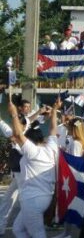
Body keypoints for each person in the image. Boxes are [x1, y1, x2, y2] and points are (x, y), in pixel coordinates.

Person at [8, 95, 59, 238]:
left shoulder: (32, 151)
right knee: (17, 230)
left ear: (30, 141)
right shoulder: (51, 147)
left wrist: (13, 113)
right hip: (43, 198)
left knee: (38, 235)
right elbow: (53, 129)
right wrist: (54, 110)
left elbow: (18, 134)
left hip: (32, 200)